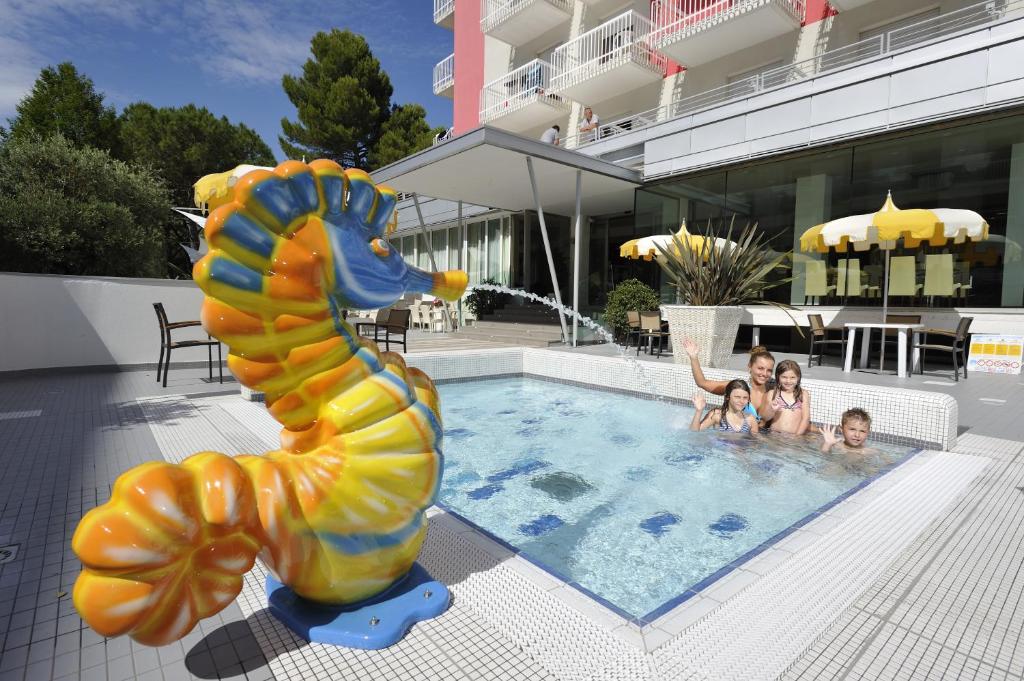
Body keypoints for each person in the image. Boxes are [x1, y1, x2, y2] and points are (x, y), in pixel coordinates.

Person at [683, 339, 777, 423]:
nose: (765, 373)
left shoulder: (774, 391)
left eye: (769, 370)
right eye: (760, 368)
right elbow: (702, 383)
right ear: (750, 366)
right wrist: (693, 357)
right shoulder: (737, 387)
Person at [690, 380, 760, 434]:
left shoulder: (750, 419)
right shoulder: (717, 416)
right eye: (737, 397)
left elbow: (755, 443)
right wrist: (699, 411)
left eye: (745, 398)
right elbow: (695, 432)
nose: (741, 401)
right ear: (727, 397)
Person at [765, 359, 811, 435]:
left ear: (798, 378)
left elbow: (805, 418)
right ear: (778, 377)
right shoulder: (773, 393)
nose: (788, 381)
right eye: (784, 377)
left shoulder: (802, 394)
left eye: (792, 377)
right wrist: (772, 410)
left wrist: (798, 436)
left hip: (794, 437)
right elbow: (765, 418)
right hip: (774, 436)